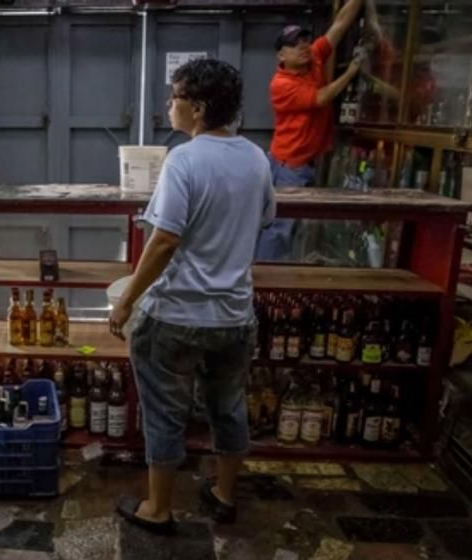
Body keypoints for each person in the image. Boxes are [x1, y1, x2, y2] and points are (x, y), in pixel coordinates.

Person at [108, 59, 275, 532]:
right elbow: (263, 220)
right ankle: (224, 495)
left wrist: (127, 301)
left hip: (177, 316)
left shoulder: (184, 159)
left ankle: (158, 509)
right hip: (234, 316)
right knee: (228, 407)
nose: (169, 105)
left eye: (175, 97)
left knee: (164, 411)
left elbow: (164, 240)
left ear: (197, 107)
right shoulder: (256, 158)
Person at [256, 0, 364, 261]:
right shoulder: (281, 84)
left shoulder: (313, 57)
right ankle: (268, 277)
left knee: (287, 224)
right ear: (281, 56)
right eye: (294, 44)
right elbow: (321, 97)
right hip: (290, 163)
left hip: (304, 159)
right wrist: (351, 72)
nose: (303, 46)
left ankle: (271, 268)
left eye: (305, 40)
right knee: (280, 227)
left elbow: (339, 26)